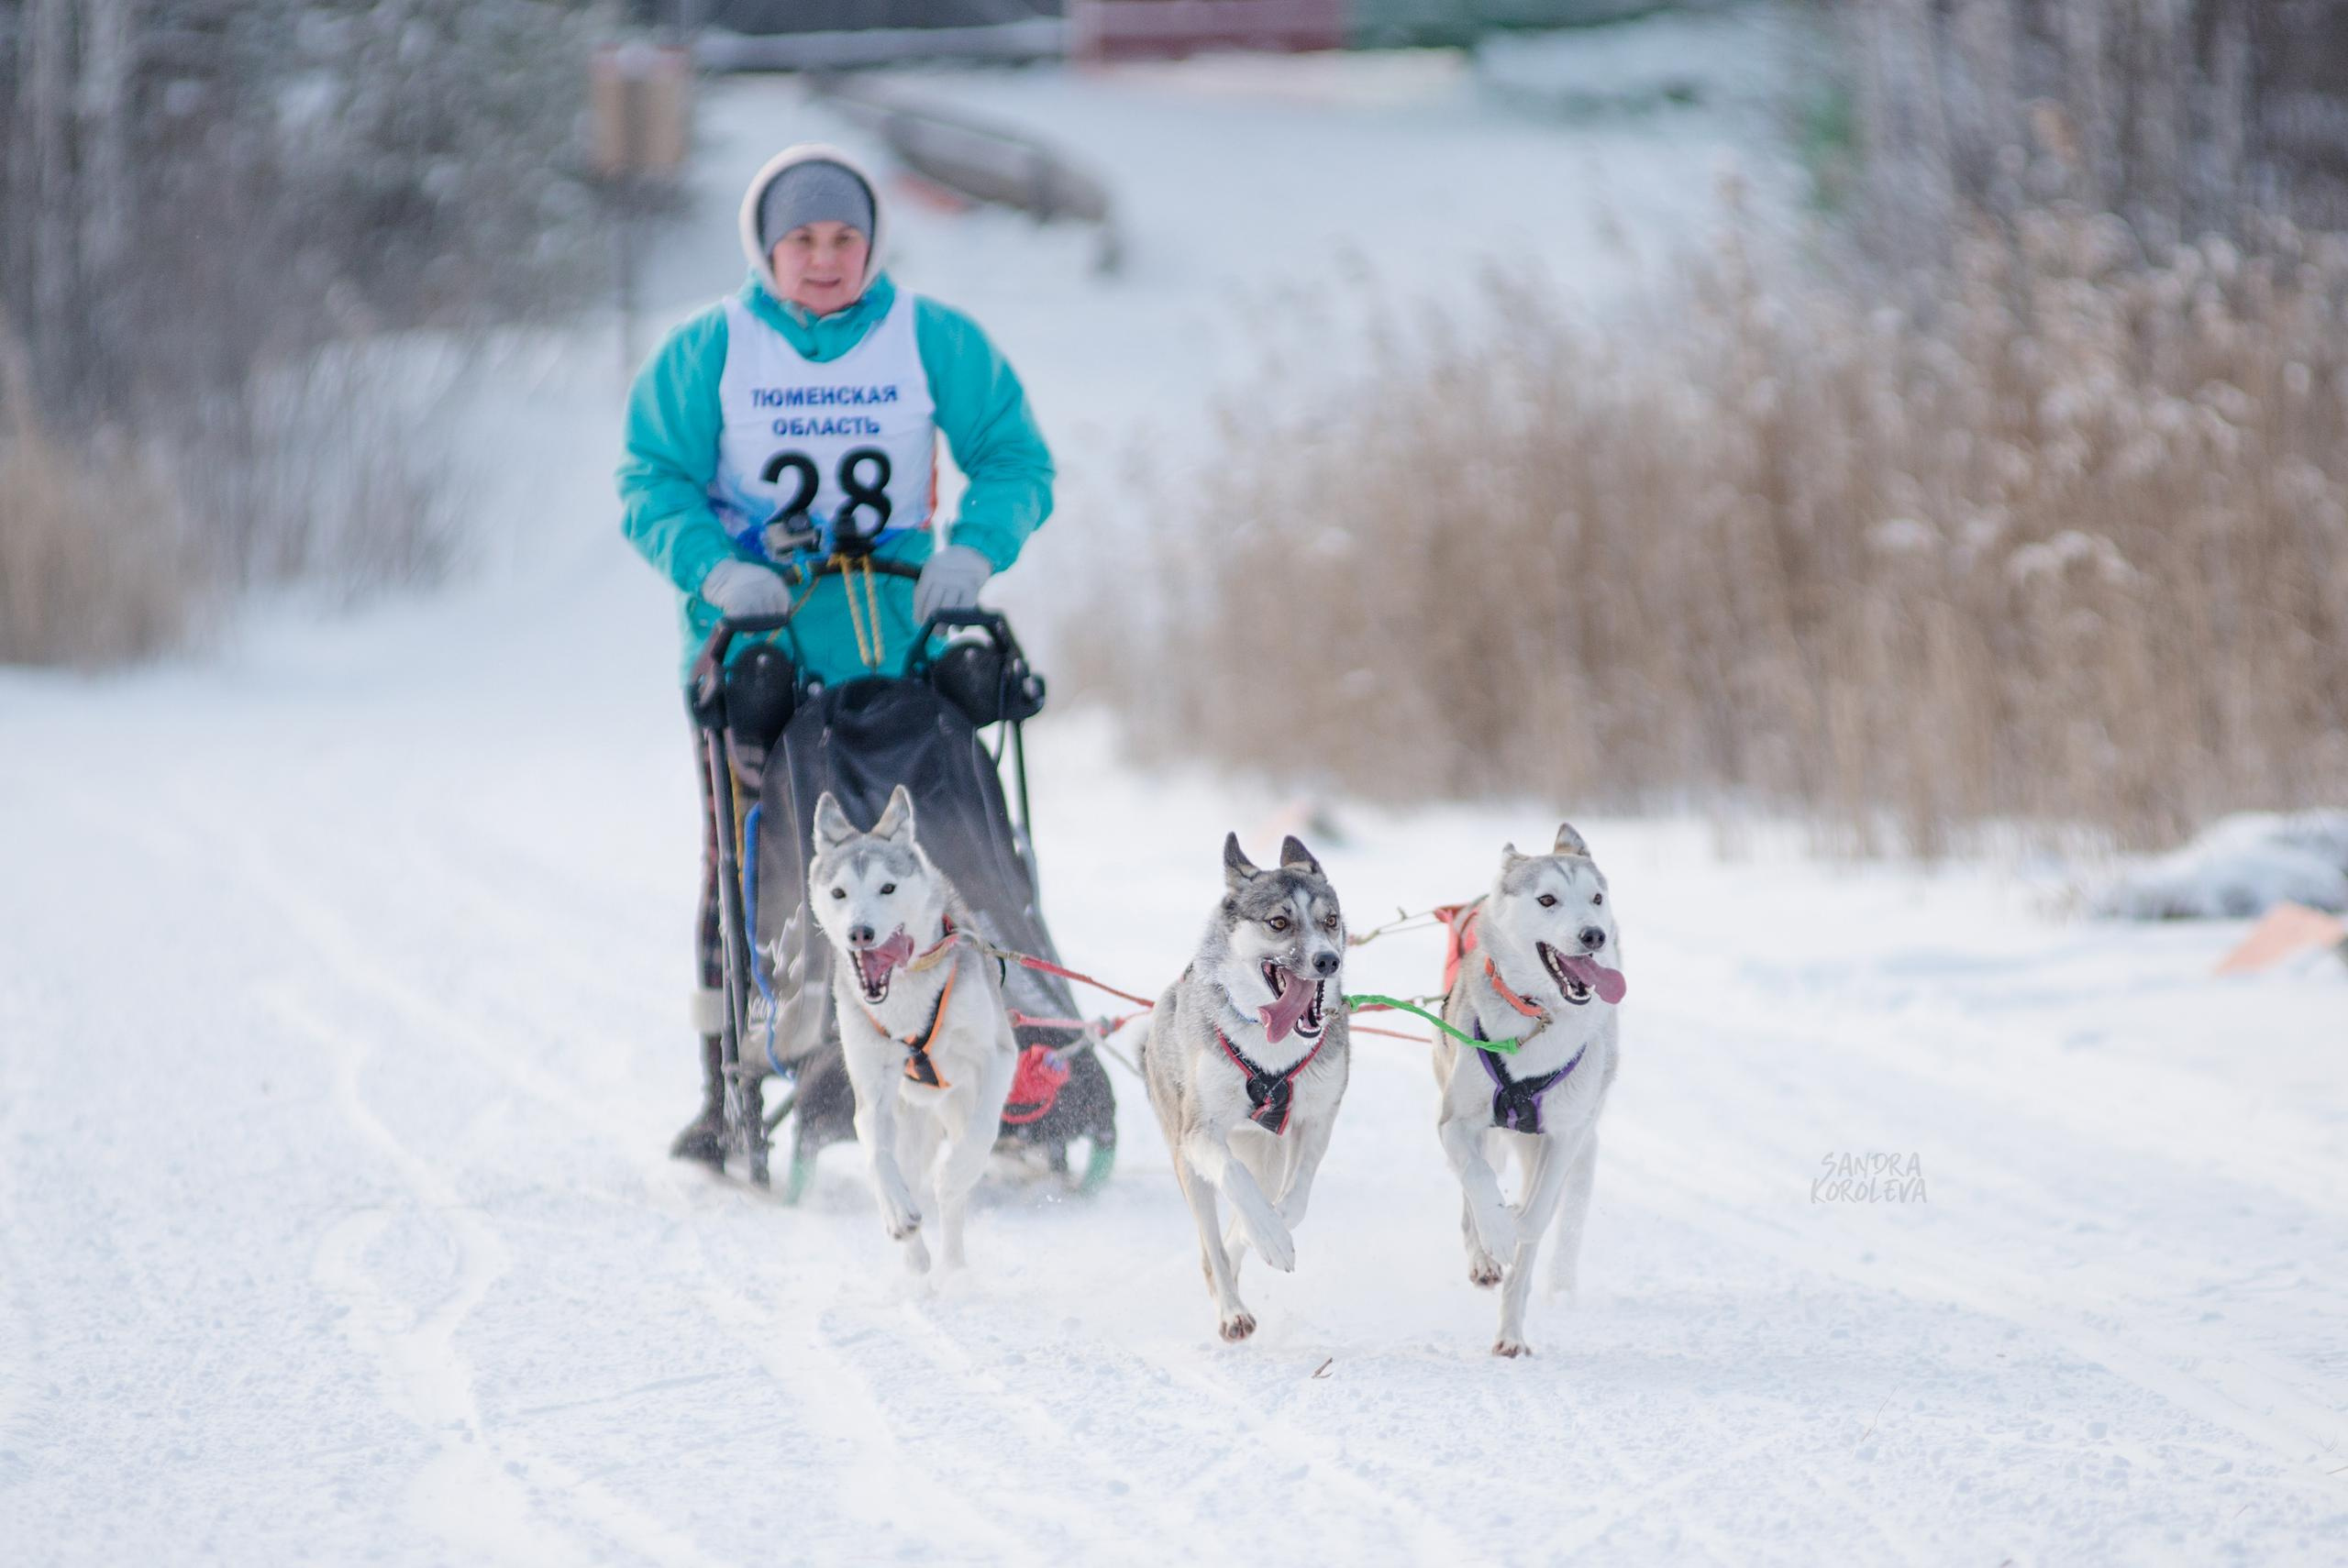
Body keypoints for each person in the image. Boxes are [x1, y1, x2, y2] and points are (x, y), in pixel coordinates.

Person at [617, 143, 1055, 1165]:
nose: (823, 258)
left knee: (953, 844)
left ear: (872, 243)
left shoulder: (928, 337)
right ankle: (732, 1086)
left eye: (844, 237)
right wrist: (713, 568)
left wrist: (975, 550)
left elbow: (1013, 457)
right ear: (766, 250)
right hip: (761, 657)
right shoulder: (710, 349)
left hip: (897, 649)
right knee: (747, 864)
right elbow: (650, 478)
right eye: (801, 240)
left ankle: (1015, 1048)